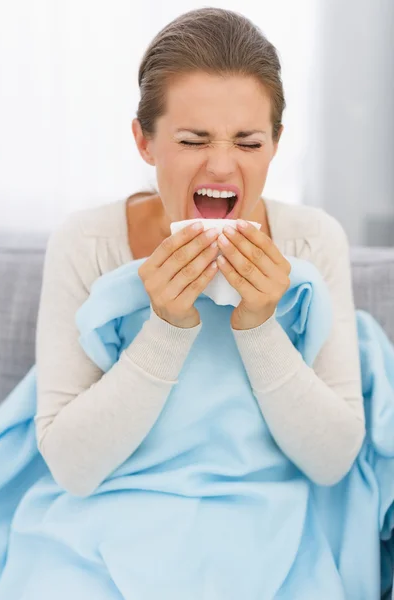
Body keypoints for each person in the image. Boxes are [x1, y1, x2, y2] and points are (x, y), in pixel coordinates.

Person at [34, 7, 365, 499]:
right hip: (110, 512)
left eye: (249, 142)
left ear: (276, 143)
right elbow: (70, 467)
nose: (221, 166)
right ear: (144, 141)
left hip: (266, 517)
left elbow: (333, 461)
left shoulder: (314, 241)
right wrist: (165, 328)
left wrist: (259, 327)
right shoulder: (85, 244)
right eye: (193, 140)